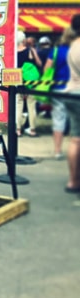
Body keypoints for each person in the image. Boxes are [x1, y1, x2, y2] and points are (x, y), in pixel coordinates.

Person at [44, 25, 75, 160]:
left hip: (58, 90)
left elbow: (47, 69)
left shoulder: (56, 51)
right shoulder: (76, 50)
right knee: (76, 121)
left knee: (58, 120)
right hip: (75, 89)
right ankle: (75, 149)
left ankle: (57, 150)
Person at [64, 14, 80, 193]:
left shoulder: (73, 46)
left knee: (76, 139)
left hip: (70, 92)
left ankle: (73, 180)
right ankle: (75, 180)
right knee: (77, 139)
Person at [16, 31, 41, 137]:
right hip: (31, 83)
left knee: (18, 106)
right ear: (23, 40)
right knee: (32, 106)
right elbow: (39, 63)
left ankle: (18, 130)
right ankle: (32, 130)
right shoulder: (30, 50)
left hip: (17, 81)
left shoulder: (12, 52)